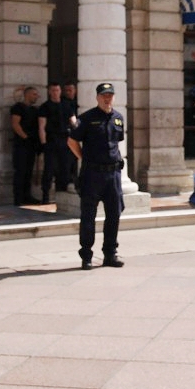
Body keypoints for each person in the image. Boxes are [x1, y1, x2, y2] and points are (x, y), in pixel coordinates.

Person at [68, 83, 127, 269]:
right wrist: (84, 159)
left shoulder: (118, 118)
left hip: (113, 175)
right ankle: (86, 256)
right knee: (88, 216)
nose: (107, 98)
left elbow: (116, 144)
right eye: (103, 95)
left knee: (114, 215)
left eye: (110, 95)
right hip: (92, 174)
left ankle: (110, 254)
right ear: (97, 97)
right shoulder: (86, 118)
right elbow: (72, 141)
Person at [42, 82, 77, 196]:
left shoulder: (66, 105)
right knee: (49, 169)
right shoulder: (45, 106)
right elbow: (41, 126)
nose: (55, 93)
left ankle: (62, 193)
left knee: (65, 167)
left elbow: (73, 121)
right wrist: (43, 143)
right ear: (49, 92)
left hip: (65, 139)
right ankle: (46, 195)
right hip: (51, 140)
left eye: (57, 90)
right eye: (53, 90)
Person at [9, 87, 42, 205]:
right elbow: (15, 124)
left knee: (28, 172)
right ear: (27, 95)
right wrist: (26, 137)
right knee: (20, 171)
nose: (36, 96)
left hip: (32, 145)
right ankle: (18, 198)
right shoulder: (18, 108)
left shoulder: (35, 110)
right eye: (34, 94)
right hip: (21, 145)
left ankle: (27, 196)